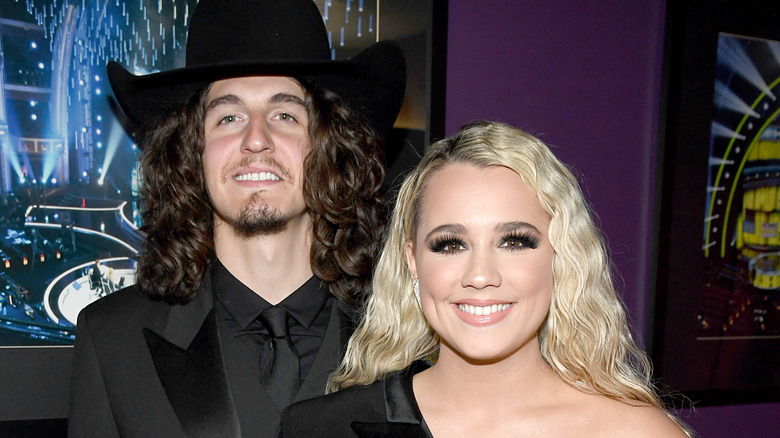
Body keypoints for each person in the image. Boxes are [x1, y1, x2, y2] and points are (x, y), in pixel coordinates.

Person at [67, 0, 405, 436]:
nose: (256, 139)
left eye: (284, 115)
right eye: (229, 117)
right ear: (192, 152)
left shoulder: (407, 333)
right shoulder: (111, 338)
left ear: (327, 144)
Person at [280, 121, 692, 437]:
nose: (480, 276)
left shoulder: (635, 431)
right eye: (450, 244)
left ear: (560, 254)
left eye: (514, 242)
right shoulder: (323, 428)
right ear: (412, 260)